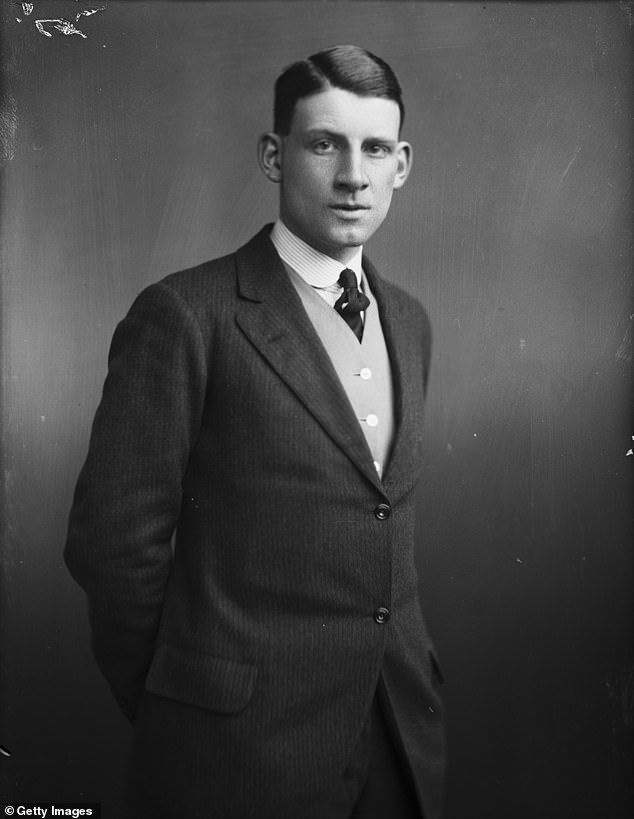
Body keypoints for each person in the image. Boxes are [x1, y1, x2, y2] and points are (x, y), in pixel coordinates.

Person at [64, 44, 446, 819]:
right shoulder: (185, 314)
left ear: (401, 165)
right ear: (274, 155)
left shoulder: (409, 320)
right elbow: (112, 542)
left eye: (375, 148)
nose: (352, 175)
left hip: (399, 741)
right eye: (323, 143)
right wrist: (185, 701)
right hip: (234, 758)